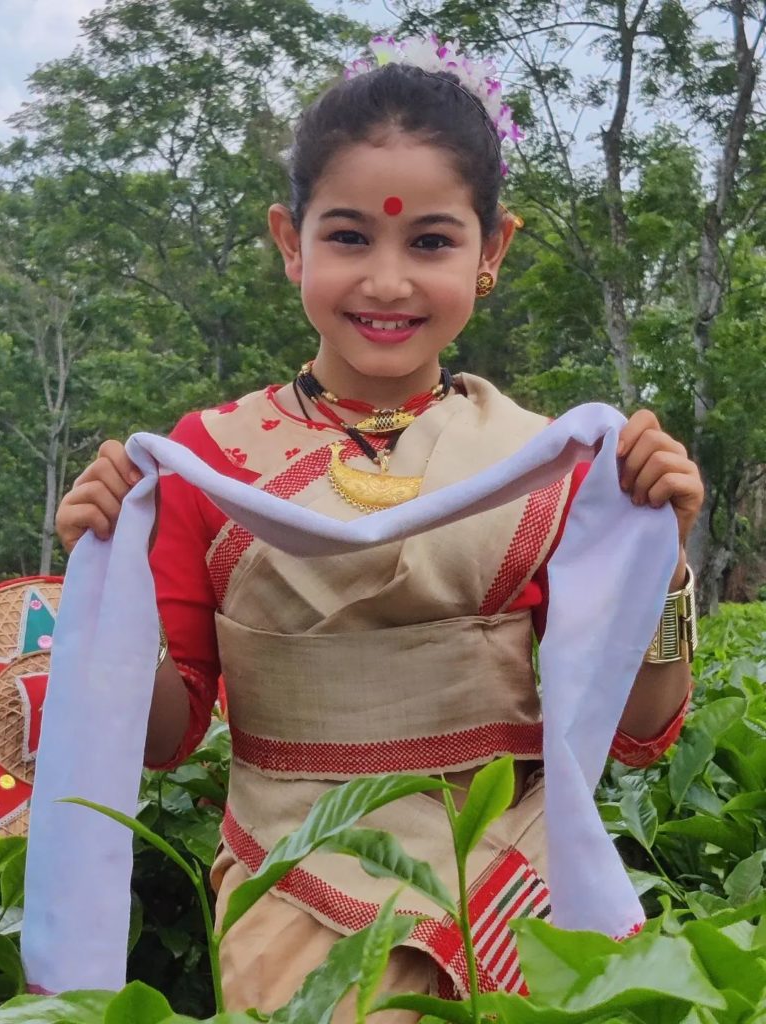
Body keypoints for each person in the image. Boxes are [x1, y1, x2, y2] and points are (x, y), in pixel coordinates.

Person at [54, 35, 704, 1019]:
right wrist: (106, 591)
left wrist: (661, 561)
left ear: (492, 250)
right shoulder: (206, 462)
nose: (388, 282)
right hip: (294, 891)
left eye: (431, 241)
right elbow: (168, 733)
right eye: (349, 236)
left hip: (513, 888)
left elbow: (640, 728)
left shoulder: (550, 462)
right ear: (290, 240)